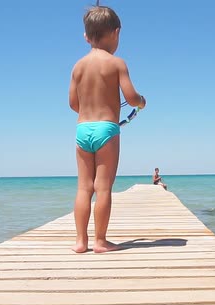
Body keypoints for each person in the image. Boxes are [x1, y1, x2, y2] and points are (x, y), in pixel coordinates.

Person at [69, 5, 146, 253]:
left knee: (84, 187)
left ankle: (81, 242)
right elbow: (132, 98)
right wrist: (142, 101)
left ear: (86, 36)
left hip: (82, 130)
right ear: (116, 33)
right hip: (106, 130)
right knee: (103, 187)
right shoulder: (116, 63)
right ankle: (100, 241)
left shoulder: (77, 66)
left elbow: (72, 103)